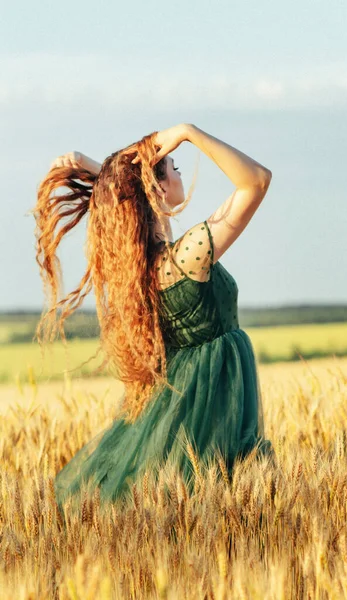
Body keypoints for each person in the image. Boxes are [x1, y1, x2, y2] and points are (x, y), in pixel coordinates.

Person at [32, 123, 275, 511]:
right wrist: (189, 132)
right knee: (225, 510)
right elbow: (257, 182)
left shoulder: (140, 269)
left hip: (180, 400)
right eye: (174, 167)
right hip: (215, 403)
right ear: (157, 189)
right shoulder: (190, 254)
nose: (179, 171)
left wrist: (90, 165)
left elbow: (125, 191)